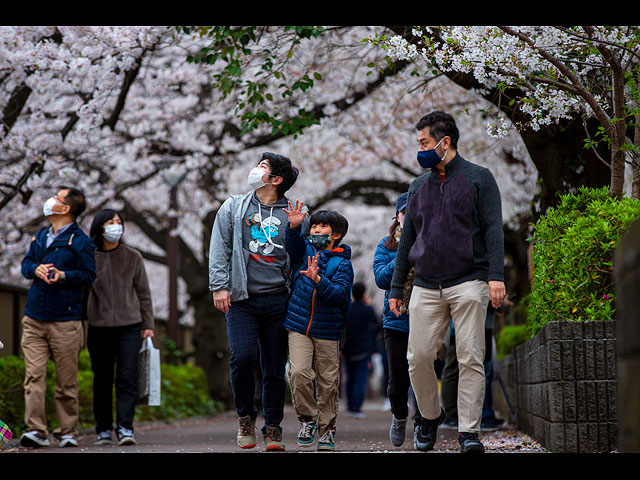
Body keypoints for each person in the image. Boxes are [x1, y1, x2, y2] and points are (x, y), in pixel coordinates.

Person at [389, 111, 506, 454]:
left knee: (471, 356)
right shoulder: (417, 187)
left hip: (470, 281)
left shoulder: (479, 179)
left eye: (424, 142)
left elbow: (493, 229)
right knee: (419, 357)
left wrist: (496, 277)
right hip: (425, 285)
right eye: (418, 143)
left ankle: (469, 432)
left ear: (445, 142)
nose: (420, 149)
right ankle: (430, 415)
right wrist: (397, 288)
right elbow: (406, 239)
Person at [209, 152, 307, 451]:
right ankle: (245, 417)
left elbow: (301, 257)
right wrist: (219, 286)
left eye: (263, 167)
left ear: (276, 179)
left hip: (279, 298)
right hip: (242, 298)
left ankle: (273, 426)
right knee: (243, 358)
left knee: (274, 367)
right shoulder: (234, 207)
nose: (256, 170)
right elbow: (220, 246)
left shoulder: (296, 210)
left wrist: (293, 228)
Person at [19, 187, 96, 448]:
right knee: (34, 377)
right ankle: (36, 430)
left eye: (58, 197)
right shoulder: (40, 236)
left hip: (66, 320)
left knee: (66, 381)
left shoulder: (81, 241)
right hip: (34, 317)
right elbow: (25, 265)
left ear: (65, 208)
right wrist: (36, 268)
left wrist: (63, 275)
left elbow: (88, 275)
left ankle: (67, 431)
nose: (51, 199)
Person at [282, 204, 354, 451]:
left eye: (323, 226)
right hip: (299, 324)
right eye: (314, 225)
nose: (316, 229)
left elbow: (339, 296)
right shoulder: (306, 251)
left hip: (328, 329)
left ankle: (327, 429)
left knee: (328, 382)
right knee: (298, 373)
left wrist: (319, 280)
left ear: (336, 235)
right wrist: (294, 225)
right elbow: (292, 246)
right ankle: (307, 419)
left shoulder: (343, 264)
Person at [86, 209, 155, 446]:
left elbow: (143, 293)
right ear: (99, 228)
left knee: (127, 378)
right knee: (102, 379)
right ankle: (103, 429)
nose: (116, 226)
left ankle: (125, 427)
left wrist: (148, 325)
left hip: (130, 326)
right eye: (110, 222)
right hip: (98, 326)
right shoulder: (89, 257)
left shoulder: (133, 256)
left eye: (119, 222)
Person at [373, 192, 423, 447]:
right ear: (398, 217)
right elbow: (381, 278)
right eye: (405, 213)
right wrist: (404, 257)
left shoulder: (431, 241)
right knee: (397, 381)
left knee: (423, 376)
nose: (410, 218)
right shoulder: (387, 244)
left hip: (426, 316)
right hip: (396, 319)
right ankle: (400, 416)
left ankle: (423, 424)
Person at [441, 301, 506, 432]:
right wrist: (502, 303)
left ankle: (460, 416)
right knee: (472, 367)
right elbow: (492, 301)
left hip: (462, 325)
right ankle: (481, 416)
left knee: (460, 368)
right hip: (474, 325)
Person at [341, 282, 378, 419]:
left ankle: (350, 405)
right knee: (360, 378)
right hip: (363, 349)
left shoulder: (348, 308)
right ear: (363, 293)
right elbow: (376, 323)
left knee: (350, 378)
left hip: (349, 349)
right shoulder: (368, 309)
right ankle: (357, 407)